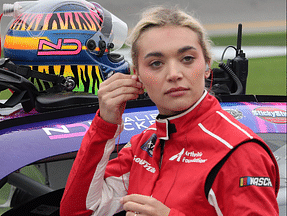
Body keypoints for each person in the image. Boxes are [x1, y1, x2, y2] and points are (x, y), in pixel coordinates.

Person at [60, 5, 280, 216]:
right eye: (156, 63)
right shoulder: (144, 145)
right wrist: (105, 124)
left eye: (187, 59)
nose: (174, 73)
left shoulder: (240, 152)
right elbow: (80, 211)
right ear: (138, 75)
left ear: (206, 66)